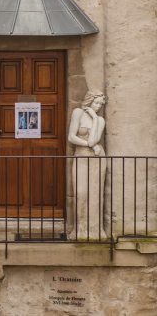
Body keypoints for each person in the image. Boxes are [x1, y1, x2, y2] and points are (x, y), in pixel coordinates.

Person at [67, 90, 106, 240]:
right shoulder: (77, 113)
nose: (98, 106)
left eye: (100, 104)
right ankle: (80, 230)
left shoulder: (100, 120)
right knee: (81, 193)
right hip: (81, 156)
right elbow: (71, 137)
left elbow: (93, 140)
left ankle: (96, 231)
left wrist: (95, 119)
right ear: (89, 100)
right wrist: (89, 145)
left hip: (97, 158)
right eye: (96, 102)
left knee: (95, 194)